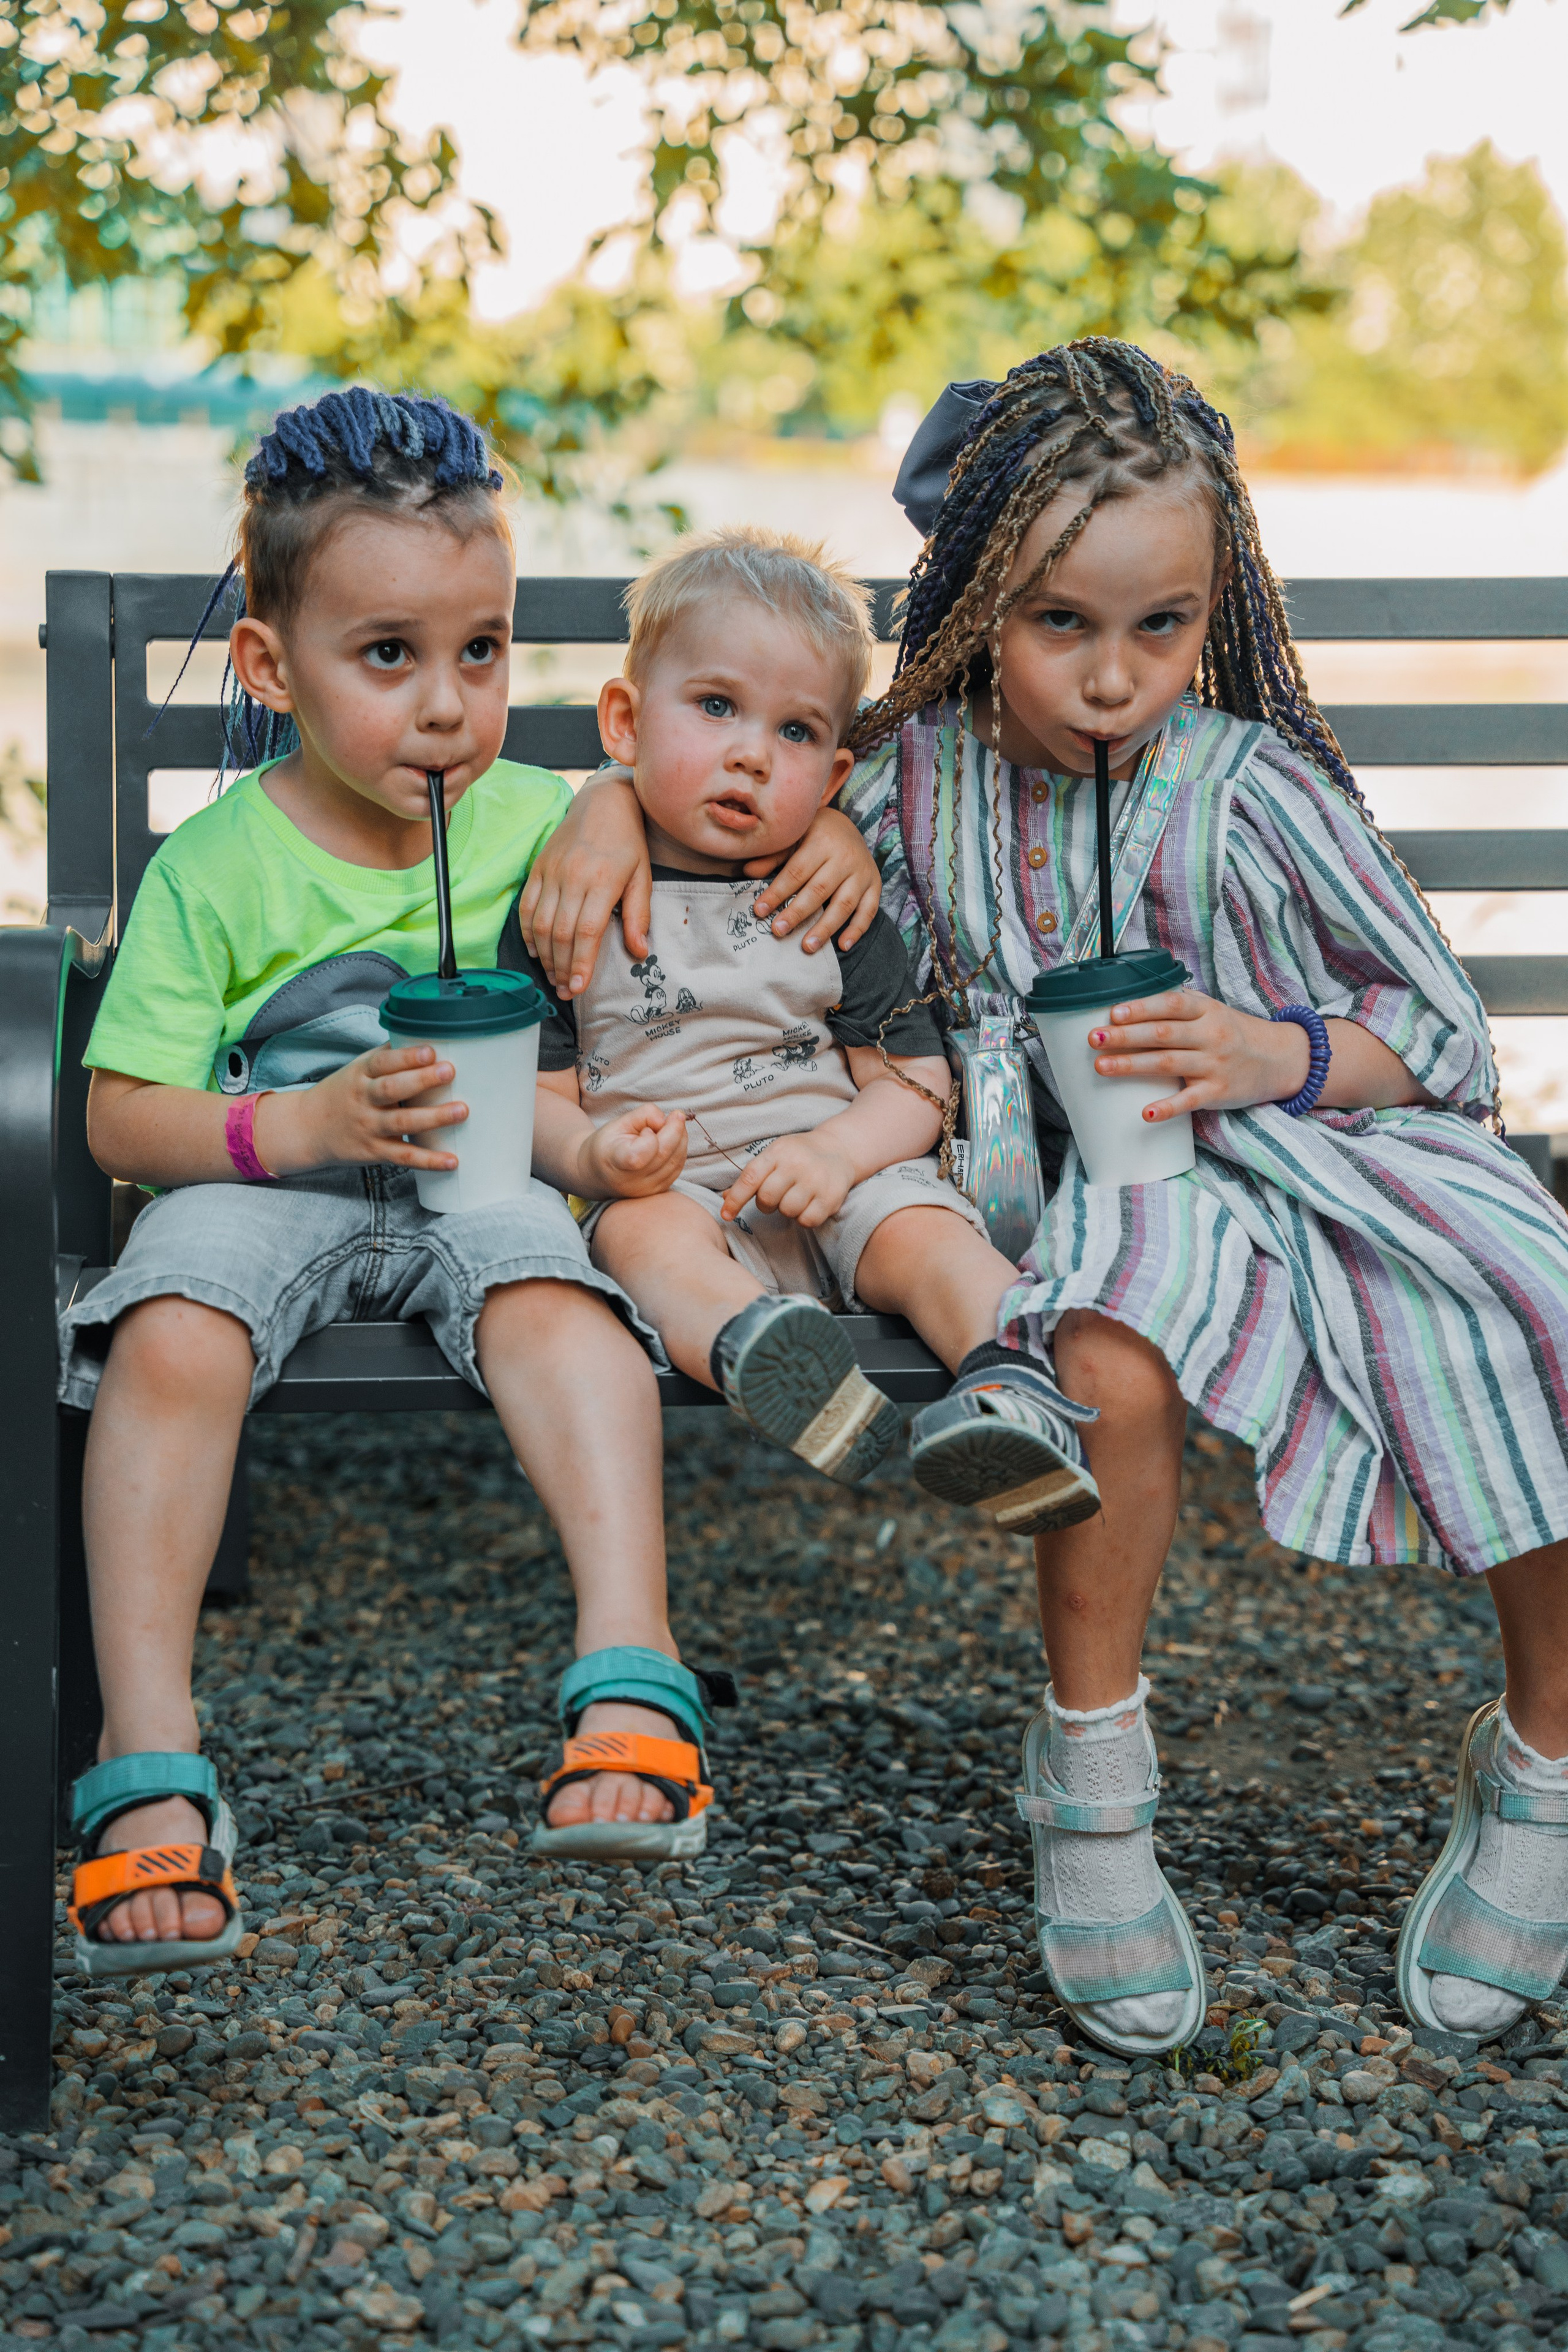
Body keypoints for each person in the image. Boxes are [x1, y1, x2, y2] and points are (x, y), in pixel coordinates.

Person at [516, 341, 1568, 2059]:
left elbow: (1440, 1034)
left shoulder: (1251, 787)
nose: (1111, 675)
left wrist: (1271, 1048)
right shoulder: (898, 780)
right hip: (1048, 1183)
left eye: (1162, 626)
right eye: (1058, 622)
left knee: (1525, 1298)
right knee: (1105, 1351)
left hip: (1316, 1133)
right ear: (972, 602)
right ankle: (1093, 1778)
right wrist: (590, 815)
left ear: (1214, 611)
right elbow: (720, 806)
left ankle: (1543, 1759)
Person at [58, 389, 729, 1974]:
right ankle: (148, 1755)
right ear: (269, 666)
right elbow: (120, 1120)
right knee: (170, 1337)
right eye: (387, 656)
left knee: (564, 1308)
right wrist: (295, 1128)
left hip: (486, 1168)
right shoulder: (216, 868)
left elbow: (711, 826)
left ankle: (630, 1666)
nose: (447, 708)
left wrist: (608, 806)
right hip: (263, 1175)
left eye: (481, 652)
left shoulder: (540, 820)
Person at [510, 525, 1103, 1536]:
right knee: (642, 1240)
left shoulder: (826, 901)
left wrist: (838, 1154)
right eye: (715, 706)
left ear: (832, 780)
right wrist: (591, 1158)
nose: (750, 753)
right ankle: (772, 1357)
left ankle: (1015, 1390)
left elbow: (915, 1082)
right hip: (673, 1188)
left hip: (843, 1171)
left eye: (794, 732)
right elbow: (535, 1095)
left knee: (929, 1237)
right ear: (625, 722)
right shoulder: (574, 898)